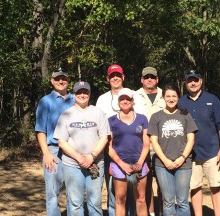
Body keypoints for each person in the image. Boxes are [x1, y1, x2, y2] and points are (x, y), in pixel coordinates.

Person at [53, 81, 110, 215]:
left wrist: (92, 156)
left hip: (95, 164)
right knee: (75, 203)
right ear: (74, 94)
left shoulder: (99, 113)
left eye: (85, 92)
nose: (82, 95)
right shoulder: (66, 114)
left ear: (90, 94)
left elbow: (104, 138)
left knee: (95, 203)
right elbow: (62, 142)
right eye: (79, 92)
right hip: (72, 165)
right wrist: (79, 157)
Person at [96, 64, 146, 216]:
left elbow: (143, 125)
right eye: (112, 76)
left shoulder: (135, 96)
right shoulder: (102, 99)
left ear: (123, 77)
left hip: (136, 154)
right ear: (108, 78)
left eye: (118, 75)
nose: (115, 78)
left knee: (138, 197)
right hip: (111, 154)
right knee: (117, 196)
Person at [179, 69, 220, 216]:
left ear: (201, 81)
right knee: (194, 187)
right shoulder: (181, 102)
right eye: (189, 80)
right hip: (191, 155)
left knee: (215, 187)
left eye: (195, 80)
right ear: (186, 83)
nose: (193, 83)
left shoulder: (212, 100)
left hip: (212, 152)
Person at [148, 83, 198, 216]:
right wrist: (166, 161)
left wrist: (182, 158)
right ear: (163, 97)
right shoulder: (156, 117)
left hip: (183, 164)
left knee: (182, 201)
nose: (171, 99)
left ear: (178, 97)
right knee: (168, 201)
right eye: (168, 96)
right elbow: (154, 141)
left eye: (174, 96)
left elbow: (191, 139)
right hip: (162, 165)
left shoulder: (185, 115)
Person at [35, 68, 75, 216]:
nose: (60, 81)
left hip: (73, 152)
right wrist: (46, 153)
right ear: (52, 81)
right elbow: (40, 130)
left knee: (73, 191)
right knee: (52, 192)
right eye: (57, 79)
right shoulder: (45, 101)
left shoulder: (76, 99)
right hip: (53, 151)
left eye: (63, 78)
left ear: (68, 81)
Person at [108, 88, 150, 216]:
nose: (125, 101)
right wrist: (121, 164)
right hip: (119, 164)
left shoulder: (142, 119)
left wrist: (140, 162)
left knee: (141, 198)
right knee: (120, 199)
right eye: (122, 99)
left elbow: (146, 144)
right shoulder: (111, 120)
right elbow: (109, 146)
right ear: (118, 102)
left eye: (128, 99)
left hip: (139, 163)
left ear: (133, 102)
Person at [136, 66, 165, 216]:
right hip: (143, 147)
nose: (149, 79)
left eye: (152, 77)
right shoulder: (135, 96)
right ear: (141, 80)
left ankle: (163, 212)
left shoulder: (166, 95)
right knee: (145, 185)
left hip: (163, 147)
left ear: (157, 79)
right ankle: (151, 212)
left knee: (163, 184)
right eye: (146, 77)